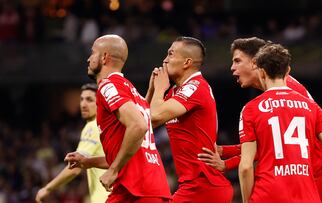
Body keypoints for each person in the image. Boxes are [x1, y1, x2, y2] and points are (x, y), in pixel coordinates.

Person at [198, 37, 322, 202]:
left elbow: (274, 146)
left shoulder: (274, 97)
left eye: (237, 61)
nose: (232, 68)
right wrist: (226, 152)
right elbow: (273, 142)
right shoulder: (288, 90)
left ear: (255, 63)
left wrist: (228, 163)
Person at [64, 34, 171, 203]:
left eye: (92, 53)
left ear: (104, 57)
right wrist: (88, 162)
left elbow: (138, 126)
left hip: (136, 191)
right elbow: (130, 152)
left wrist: (113, 170)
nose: (88, 59)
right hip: (147, 188)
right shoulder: (131, 91)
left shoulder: (108, 86)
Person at [239, 43, 322, 203]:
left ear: (261, 72)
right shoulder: (311, 106)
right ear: (288, 71)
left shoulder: (250, 109)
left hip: (267, 194)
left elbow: (246, 166)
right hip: (307, 196)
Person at [146, 36, 233, 203]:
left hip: (204, 186)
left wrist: (159, 89)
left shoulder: (195, 87)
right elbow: (147, 122)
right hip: (195, 186)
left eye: (170, 54)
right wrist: (151, 91)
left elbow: (156, 115)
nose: (165, 60)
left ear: (187, 62)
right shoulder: (175, 92)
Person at [35, 83, 109, 203]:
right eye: (81, 99)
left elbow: (75, 166)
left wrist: (47, 189)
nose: (83, 104)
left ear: (99, 104)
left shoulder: (92, 127)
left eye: (89, 100)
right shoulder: (107, 126)